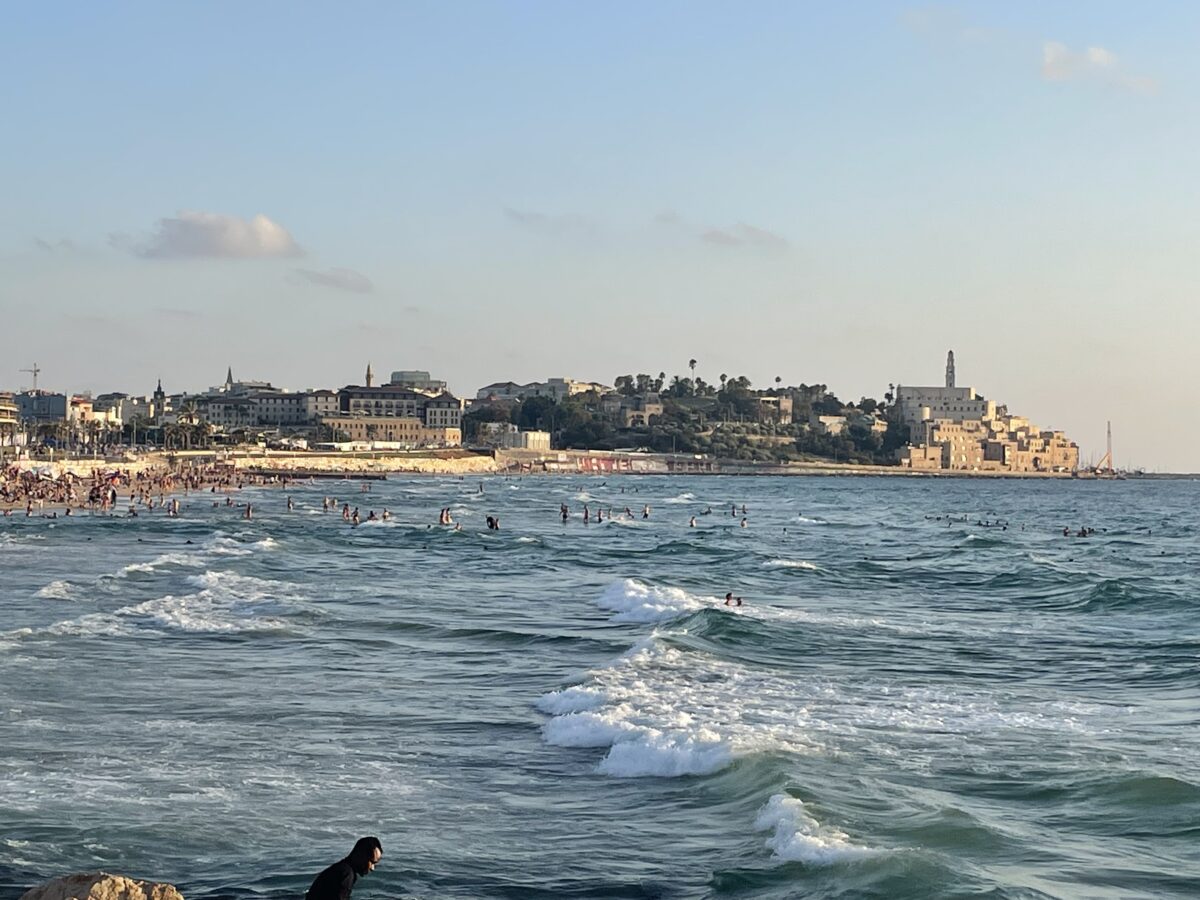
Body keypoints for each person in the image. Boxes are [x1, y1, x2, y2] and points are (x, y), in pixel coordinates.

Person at [305, 836, 382, 900]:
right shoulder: (346, 874)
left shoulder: (342, 868)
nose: (372, 868)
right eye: (372, 862)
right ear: (360, 855)